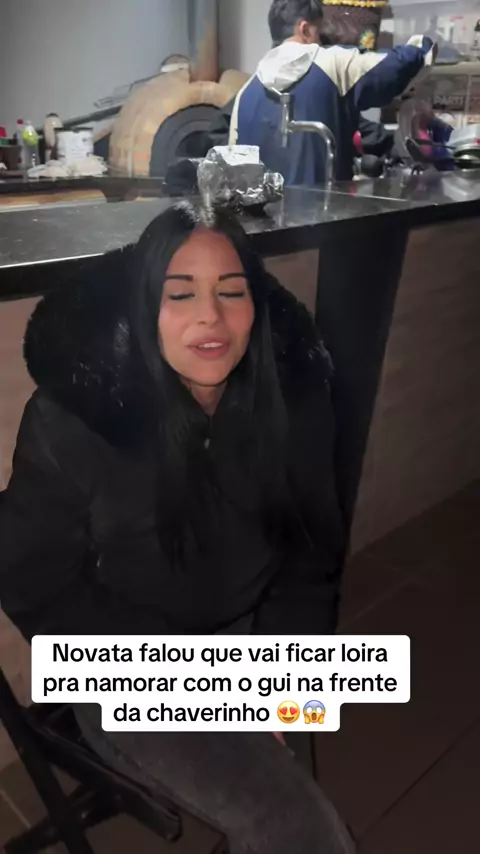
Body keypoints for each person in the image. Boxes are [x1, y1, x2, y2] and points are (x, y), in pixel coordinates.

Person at [0, 203, 354, 853]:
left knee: (298, 812)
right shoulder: (77, 420)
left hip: (255, 637)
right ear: (143, 311)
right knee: (296, 824)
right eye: (180, 293)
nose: (210, 316)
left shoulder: (294, 400)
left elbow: (311, 554)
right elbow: (34, 581)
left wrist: (282, 677)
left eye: (231, 292)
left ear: (257, 308)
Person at [230, 0, 437, 185]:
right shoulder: (333, 64)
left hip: (264, 216)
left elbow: (233, 174)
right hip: (326, 213)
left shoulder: (245, 93)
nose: (321, 41)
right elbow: (399, 67)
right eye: (318, 32)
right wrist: (422, 44)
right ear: (305, 30)